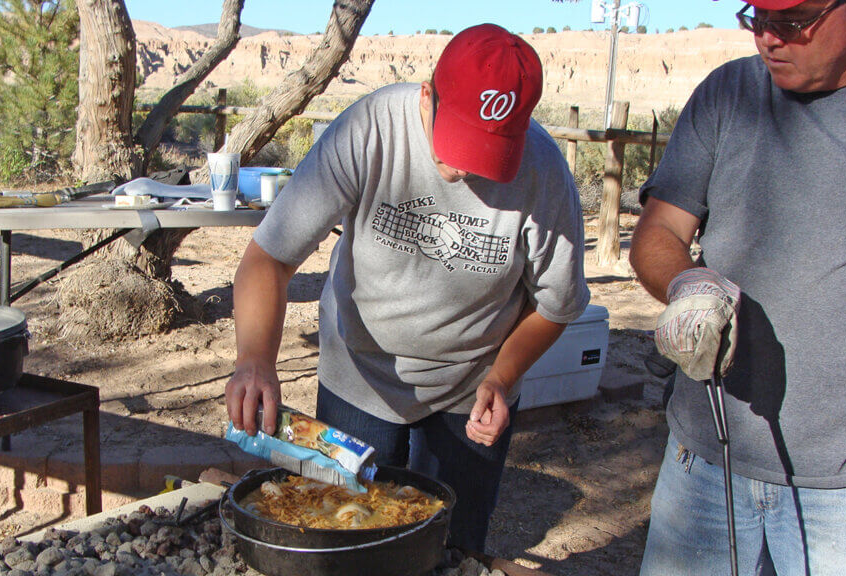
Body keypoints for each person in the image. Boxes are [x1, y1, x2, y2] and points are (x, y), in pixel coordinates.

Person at [224, 23, 590, 553]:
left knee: (451, 548)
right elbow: (269, 258)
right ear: (426, 98)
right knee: (344, 539)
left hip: (472, 385)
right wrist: (255, 358)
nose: (464, 166)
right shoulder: (369, 130)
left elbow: (555, 305)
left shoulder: (544, 172)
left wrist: (502, 375)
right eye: (456, 143)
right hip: (359, 373)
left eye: (487, 151)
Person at [630, 1, 846, 574]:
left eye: (793, 21)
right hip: (703, 461)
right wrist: (689, 283)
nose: (769, 40)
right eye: (757, 19)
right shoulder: (728, 93)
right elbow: (659, 232)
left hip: (839, 490)